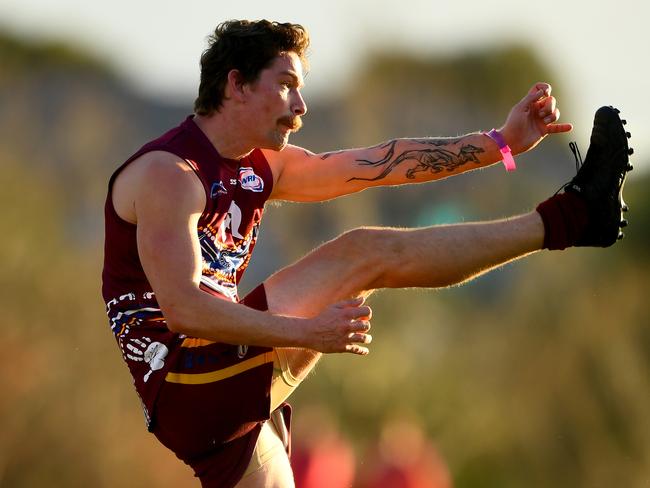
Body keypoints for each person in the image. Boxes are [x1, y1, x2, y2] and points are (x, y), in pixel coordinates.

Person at [101, 19, 633, 488]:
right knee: (363, 253)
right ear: (235, 85)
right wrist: (306, 333)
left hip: (223, 382)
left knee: (364, 253)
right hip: (185, 382)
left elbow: (384, 162)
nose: (300, 106)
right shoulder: (169, 176)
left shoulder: (262, 164)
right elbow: (184, 309)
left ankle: (576, 217)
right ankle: (573, 217)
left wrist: (502, 143)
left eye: (301, 90)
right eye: (285, 86)